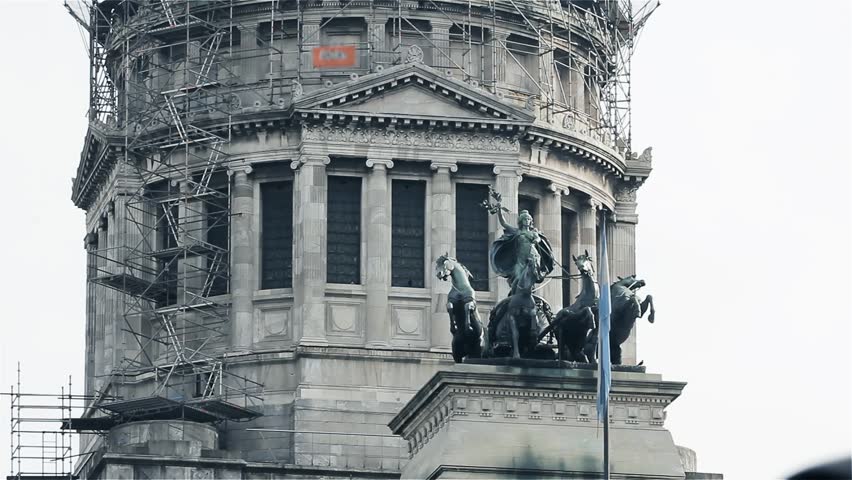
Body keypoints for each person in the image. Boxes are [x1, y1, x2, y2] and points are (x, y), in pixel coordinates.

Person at [488, 204, 555, 295]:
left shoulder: (533, 232)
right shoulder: (517, 231)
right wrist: (499, 211)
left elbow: (539, 239)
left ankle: (530, 292)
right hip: (520, 259)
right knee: (518, 276)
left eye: (528, 219)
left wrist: (536, 240)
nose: (527, 221)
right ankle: (515, 294)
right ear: (521, 221)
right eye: (525, 219)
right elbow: (504, 223)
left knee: (531, 277)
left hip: (533, 256)